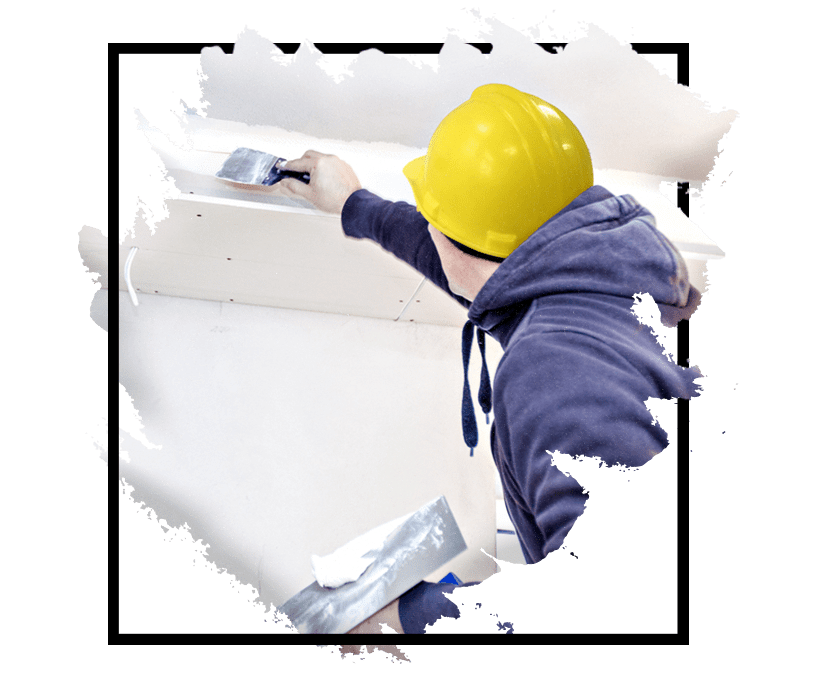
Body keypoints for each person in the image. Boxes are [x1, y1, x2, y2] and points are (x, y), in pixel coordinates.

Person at [273, 84, 703, 634]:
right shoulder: (617, 276)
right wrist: (356, 204)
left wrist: (409, 618)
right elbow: (474, 266)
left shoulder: (553, 377)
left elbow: (612, 607)